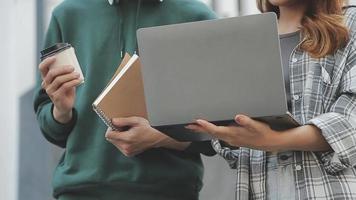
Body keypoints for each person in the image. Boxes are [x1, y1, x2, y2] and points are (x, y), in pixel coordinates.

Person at [34, 0, 216, 199]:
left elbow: (221, 133)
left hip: (169, 191)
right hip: (81, 191)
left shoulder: (196, 16)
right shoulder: (67, 14)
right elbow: (51, 128)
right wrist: (61, 111)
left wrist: (161, 137)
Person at [186, 0, 356, 199]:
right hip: (261, 187)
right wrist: (227, 132)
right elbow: (235, 143)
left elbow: (351, 121)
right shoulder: (245, 38)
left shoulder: (349, 23)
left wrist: (274, 140)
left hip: (327, 191)